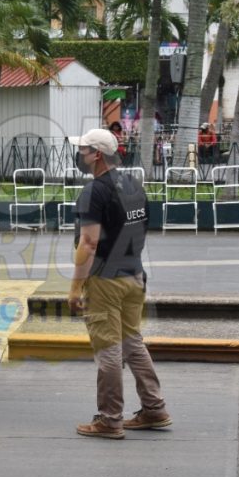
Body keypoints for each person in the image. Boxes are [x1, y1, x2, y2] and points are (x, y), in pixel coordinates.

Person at [68, 128, 171, 440]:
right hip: (134, 277)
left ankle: (110, 419)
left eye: (83, 149)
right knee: (132, 343)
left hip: (105, 281)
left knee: (109, 349)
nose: (79, 155)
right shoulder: (134, 185)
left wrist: (75, 288)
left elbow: (88, 243)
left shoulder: (94, 191)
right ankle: (154, 408)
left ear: (97, 154)